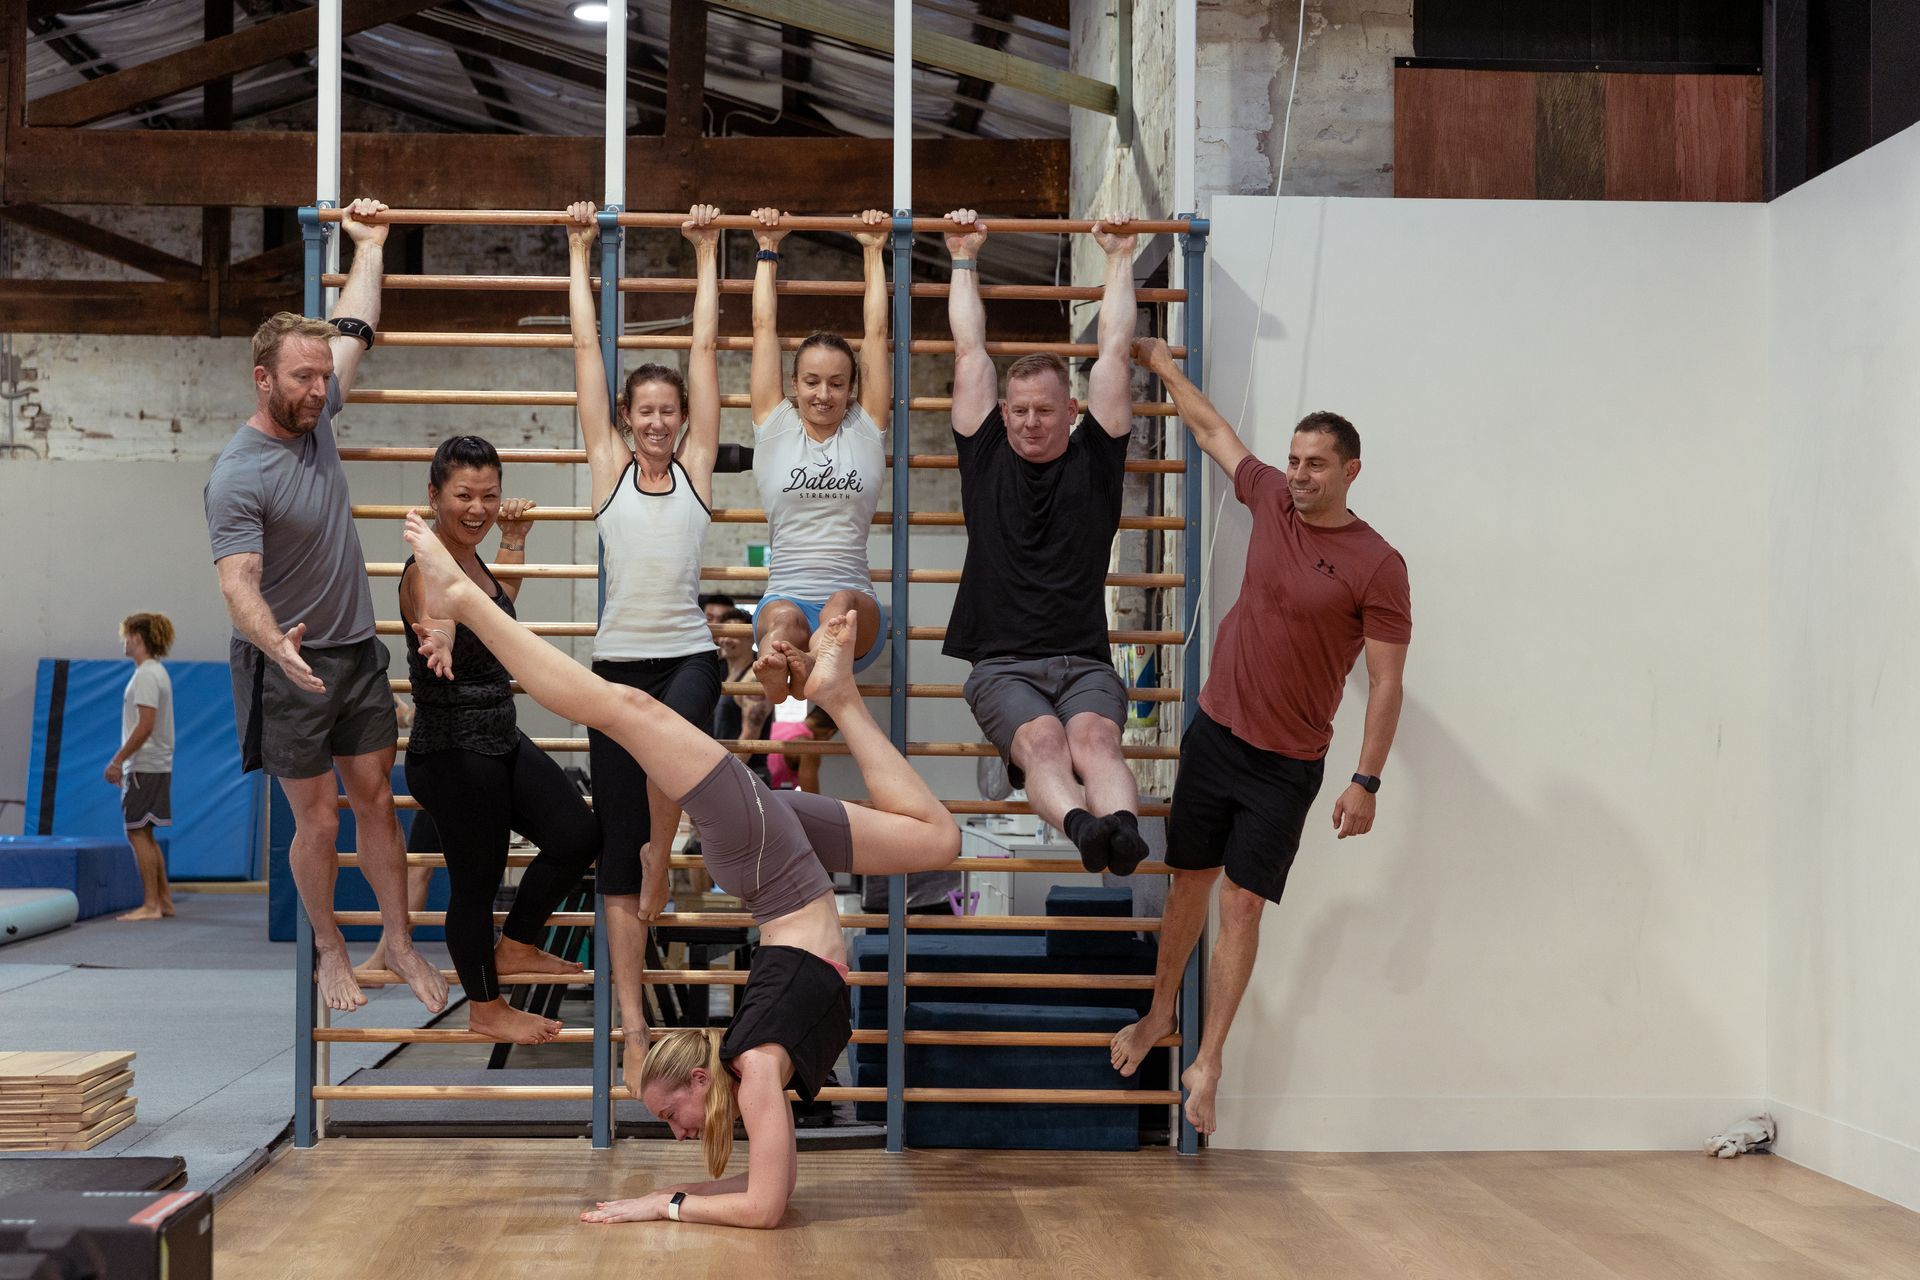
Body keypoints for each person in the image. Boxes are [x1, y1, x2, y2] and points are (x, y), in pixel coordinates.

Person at [399, 513, 959, 1230]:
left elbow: (765, 1196)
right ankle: (466, 596)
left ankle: (838, 695)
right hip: (773, 860)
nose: (679, 1129)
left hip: (774, 867)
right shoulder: (756, 1069)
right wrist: (665, 1204)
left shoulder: (752, 1066)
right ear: (701, 1079)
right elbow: (764, 1208)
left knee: (627, 713)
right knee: (621, 708)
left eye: (670, 1120)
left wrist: (662, 1202)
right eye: (671, 1115)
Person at [1109, 337, 1412, 1136]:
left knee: (1242, 906)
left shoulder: (1379, 565)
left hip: (1288, 764)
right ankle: (1159, 1014)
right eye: (1294, 459)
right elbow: (1214, 434)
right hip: (1217, 731)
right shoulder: (1271, 499)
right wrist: (1168, 372)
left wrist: (1367, 780)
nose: (1300, 474)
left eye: (1316, 463)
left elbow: (1384, 682)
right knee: (1188, 884)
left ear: (1351, 469)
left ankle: (1208, 1062)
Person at [203, 197, 447, 1016]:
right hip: (289, 662)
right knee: (318, 819)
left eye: (322, 376)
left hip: (353, 650)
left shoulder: (315, 416)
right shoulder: (240, 474)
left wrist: (369, 244)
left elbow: (355, 327)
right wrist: (278, 647)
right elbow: (238, 582)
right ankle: (331, 950)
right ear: (263, 378)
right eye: (304, 379)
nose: (321, 389)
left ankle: (398, 939)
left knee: (377, 797)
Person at [940, 208, 1151, 876]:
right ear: (1003, 414)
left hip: (1084, 660)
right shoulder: (985, 453)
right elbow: (971, 351)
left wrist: (1120, 257)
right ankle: (1086, 828)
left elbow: (1114, 351)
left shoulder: (1097, 455)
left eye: (1045, 410)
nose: (1031, 422)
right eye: (1020, 410)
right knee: (1045, 743)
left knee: (1095, 741)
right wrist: (964, 256)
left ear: (1072, 411)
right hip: (1003, 664)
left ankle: (1121, 830)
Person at [566, 201, 726, 1081]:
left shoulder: (698, 475)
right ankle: (630, 1030)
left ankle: (666, 852)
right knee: (615, 870)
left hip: (687, 656)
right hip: (616, 667)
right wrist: (578, 253)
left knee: (681, 764)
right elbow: (587, 358)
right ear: (629, 420)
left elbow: (706, 356)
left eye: (671, 412)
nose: (661, 423)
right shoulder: (608, 470)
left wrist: (707, 254)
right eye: (648, 412)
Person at [398, 435, 602, 1044]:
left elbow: (498, 610)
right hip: (453, 747)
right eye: (464, 495)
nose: (478, 507)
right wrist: (437, 637)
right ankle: (485, 1007)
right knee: (476, 883)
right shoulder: (427, 566)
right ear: (434, 496)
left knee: (578, 835)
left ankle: (514, 947)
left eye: (490, 495)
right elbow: (436, 614)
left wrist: (514, 542)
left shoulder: (473, 557)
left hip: (498, 735)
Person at [745, 206, 892, 704]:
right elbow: (763, 327)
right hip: (783, 592)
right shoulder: (774, 423)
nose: (823, 395)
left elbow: (875, 335)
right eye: (811, 382)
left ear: (853, 389)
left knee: (838, 605)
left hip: (855, 611)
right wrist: (768, 247)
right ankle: (779, 663)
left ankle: (810, 665)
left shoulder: (865, 426)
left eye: (836, 384)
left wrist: (873, 250)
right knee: (781, 619)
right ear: (793, 384)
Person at [106, 612, 177, 922]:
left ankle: (151, 905)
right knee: (145, 832)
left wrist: (118, 759)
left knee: (136, 832)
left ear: (137, 637)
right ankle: (163, 900)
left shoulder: (147, 675)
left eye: (126, 635)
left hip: (144, 766)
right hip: (153, 764)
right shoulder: (154, 672)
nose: (123, 641)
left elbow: (145, 724)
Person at [767, 705, 836, 793]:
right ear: (830, 733)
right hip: (760, 798)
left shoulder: (778, 725)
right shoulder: (808, 748)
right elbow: (812, 801)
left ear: (808, 715)